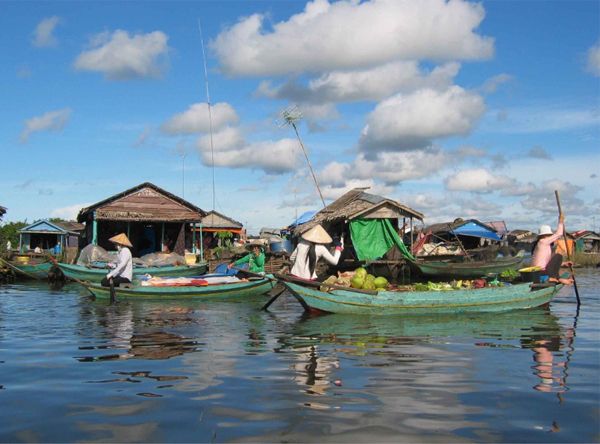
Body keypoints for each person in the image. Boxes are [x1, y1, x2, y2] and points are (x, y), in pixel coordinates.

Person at [531, 214, 573, 285]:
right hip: (540, 272)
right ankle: (557, 278)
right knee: (558, 256)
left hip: (537, 273)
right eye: (550, 236)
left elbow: (546, 263)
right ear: (545, 235)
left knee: (556, 258)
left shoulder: (541, 244)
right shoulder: (543, 241)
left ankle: (555, 278)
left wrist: (563, 264)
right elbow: (559, 234)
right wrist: (560, 221)